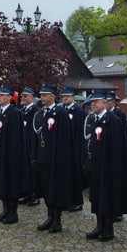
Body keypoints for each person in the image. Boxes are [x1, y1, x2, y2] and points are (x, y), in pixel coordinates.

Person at [83, 92, 127, 241]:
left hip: (108, 167)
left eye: (97, 102)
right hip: (95, 166)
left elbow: (118, 147)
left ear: (105, 104)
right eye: (92, 102)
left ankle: (108, 228)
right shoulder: (94, 119)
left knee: (107, 198)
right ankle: (99, 225)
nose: (93, 104)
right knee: (96, 197)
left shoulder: (113, 120)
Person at [33, 84, 82, 233]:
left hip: (56, 158)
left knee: (55, 189)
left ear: (53, 96)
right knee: (46, 188)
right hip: (42, 156)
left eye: (45, 95)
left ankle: (57, 219)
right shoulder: (42, 113)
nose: (41, 98)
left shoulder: (60, 113)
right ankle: (49, 216)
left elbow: (65, 139)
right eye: (41, 95)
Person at [0, 86, 32, 225]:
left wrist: (12, 154)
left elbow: (16, 137)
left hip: (11, 154)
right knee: (2, 181)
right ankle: (5, 210)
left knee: (11, 182)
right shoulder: (0, 112)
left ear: (9, 97)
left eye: (2, 95)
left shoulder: (14, 113)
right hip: (0, 152)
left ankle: (13, 212)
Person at [62, 87, 86, 210]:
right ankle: (68, 199)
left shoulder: (79, 112)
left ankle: (77, 202)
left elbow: (81, 134)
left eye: (67, 96)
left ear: (73, 98)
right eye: (63, 96)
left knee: (75, 176)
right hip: (65, 149)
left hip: (75, 148)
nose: (64, 98)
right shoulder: (62, 110)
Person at [19, 88, 41, 207]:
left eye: (25, 96)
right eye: (22, 96)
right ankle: (26, 193)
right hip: (23, 144)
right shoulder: (21, 111)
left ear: (32, 97)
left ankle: (35, 195)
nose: (23, 98)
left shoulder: (36, 111)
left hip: (32, 144)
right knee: (25, 170)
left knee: (33, 171)